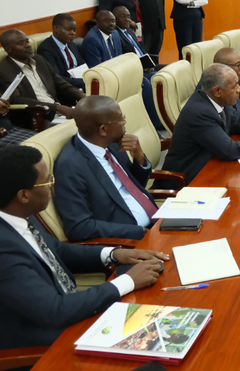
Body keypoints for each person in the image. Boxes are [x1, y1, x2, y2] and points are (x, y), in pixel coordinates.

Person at [0, 145, 167, 351]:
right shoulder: (4, 250)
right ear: (24, 195)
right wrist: (127, 281)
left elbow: (58, 251)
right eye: (47, 181)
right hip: (50, 343)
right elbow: (54, 310)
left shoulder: (19, 214)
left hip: (73, 313)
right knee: (158, 340)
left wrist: (113, 254)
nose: (52, 184)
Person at [157, 64, 240, 188]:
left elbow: (236, 122)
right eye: (235, 86)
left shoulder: (215, 100)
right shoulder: (200, 112)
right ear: (217, 91)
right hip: (185, 181)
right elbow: (230, 151)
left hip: (210, 166)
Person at [54, 96, 156, 241]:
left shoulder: (111, 143)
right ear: (103, 129)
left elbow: (135, 187)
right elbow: (79, 227)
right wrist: (137, 232)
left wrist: (139, 158)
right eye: (121, 118)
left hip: (157, 222)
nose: (125, 122)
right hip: (130, 241)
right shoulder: (70, 166)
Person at [0, 30, 84, 127]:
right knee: (81, 126)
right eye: (21, 43)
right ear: (8, 49)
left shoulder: (39, 59)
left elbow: (59, 82)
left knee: (91, 117)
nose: (28, 45)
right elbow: (17, 99)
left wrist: (82, 96)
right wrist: (57, 108)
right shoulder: (4, 70)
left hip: (59, 109)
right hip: (38, 116)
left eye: (27, 41)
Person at [112, 6, 164, 130]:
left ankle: (170, 112)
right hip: (135, 69)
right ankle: (157, 122)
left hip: (145, 65)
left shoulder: (129, 30)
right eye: (122, 16)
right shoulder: (115, 34)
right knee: (151, 81)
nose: (126, 19)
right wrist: (139, 68)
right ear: (115, 19)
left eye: (128, 17)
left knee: (169, 70)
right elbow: (121, 60)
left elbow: (140, 50)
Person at [36, 14, 86, 90]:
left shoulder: (71, 44)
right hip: (65, 88)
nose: (73, 33)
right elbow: (56, 78)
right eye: (69, 29)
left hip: (80, 82)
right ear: (55, 28)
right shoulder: (46, 49)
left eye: (74, 30)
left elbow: (82, 65)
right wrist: (83, 82)